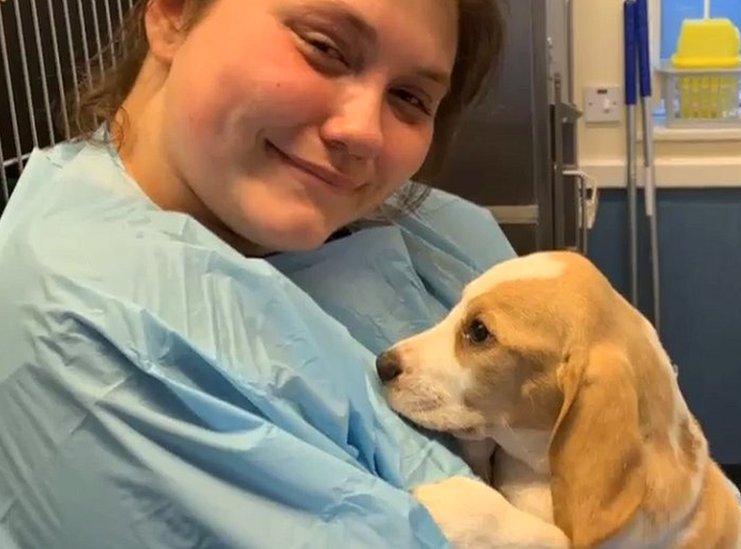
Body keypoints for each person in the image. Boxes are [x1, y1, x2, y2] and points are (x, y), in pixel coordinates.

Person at [0, 1, 548, 547]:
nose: (363, 132)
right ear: (172, 14)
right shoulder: (99, 341)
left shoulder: (431, 228)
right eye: (324, 47)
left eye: (409, 97)